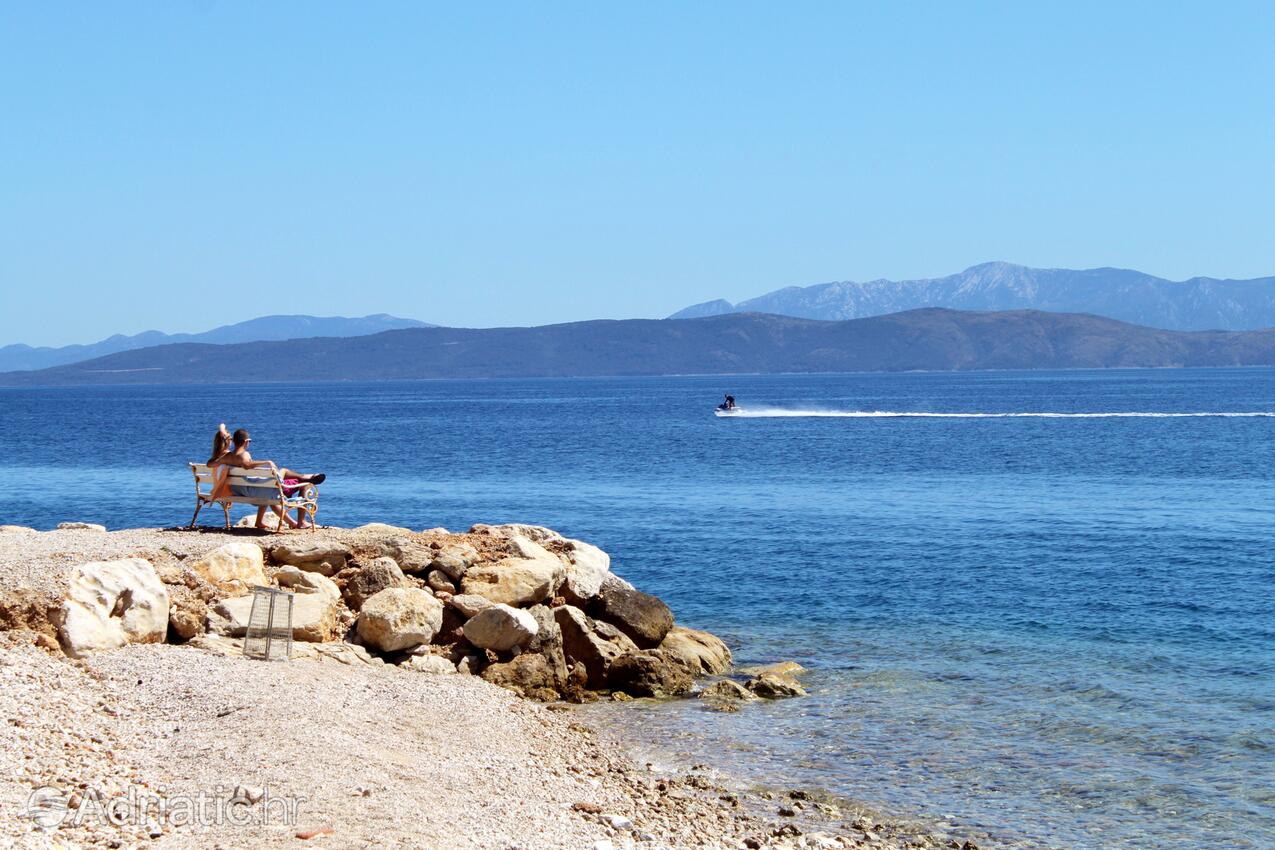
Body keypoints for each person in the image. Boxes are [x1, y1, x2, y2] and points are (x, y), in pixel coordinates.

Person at [209, 426, 326, 529]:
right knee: (296, 479)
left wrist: (222, 432)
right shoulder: (244, 454)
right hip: (262, 491)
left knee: (267, 487)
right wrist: (267, 462)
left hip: (242, 490)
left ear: (234, 441)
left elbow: (209, 464)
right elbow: (246, 465)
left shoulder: (226, 456)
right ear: (246, 442)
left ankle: (260, 521)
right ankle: (302, 520)